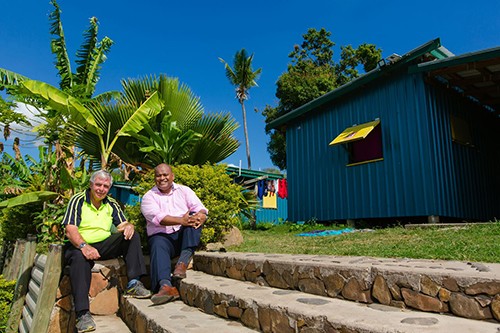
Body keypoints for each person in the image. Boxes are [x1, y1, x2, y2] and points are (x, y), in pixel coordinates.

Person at [63, 170, 150, 333]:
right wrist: (84, 246)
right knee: (79, 259)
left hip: (102, 245)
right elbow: (70, 229)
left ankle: (133, 283)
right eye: (98, 185)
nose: (101, 189)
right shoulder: (78, 200)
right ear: (91, 185)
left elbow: (122, 225)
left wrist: (129, 226)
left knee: (132, 235)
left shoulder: (111, 203)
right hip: (78, 245)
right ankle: (83, 314)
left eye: (105, 186)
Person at [141, 163, 208, 305]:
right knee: (157, 243)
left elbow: (199, 208)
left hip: (183, 236)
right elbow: (159, 219)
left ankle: (182, 264)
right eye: (158, 175)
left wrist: (201, 216)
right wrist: (181, 220)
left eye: (165, 175)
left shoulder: (184, 190)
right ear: (155, 178)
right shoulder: (149, 197)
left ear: (172, 176)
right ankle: (166, 286)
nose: (162, 178)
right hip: (163, 237)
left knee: (193, 219)